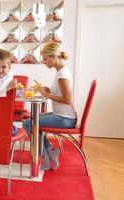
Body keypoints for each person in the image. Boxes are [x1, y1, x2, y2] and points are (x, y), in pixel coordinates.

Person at [23, 42, 77, 171]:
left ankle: (45, 155)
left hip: (65, 119)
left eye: (45, 59)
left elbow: (67, 99)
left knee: (28, 124)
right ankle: (50, 151)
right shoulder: (61, 71)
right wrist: (46, 89)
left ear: (54, 57)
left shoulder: (62, 75)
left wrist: (46, 95)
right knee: (33, 121)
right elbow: (60, 92)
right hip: (62, 116)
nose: (44, 62)